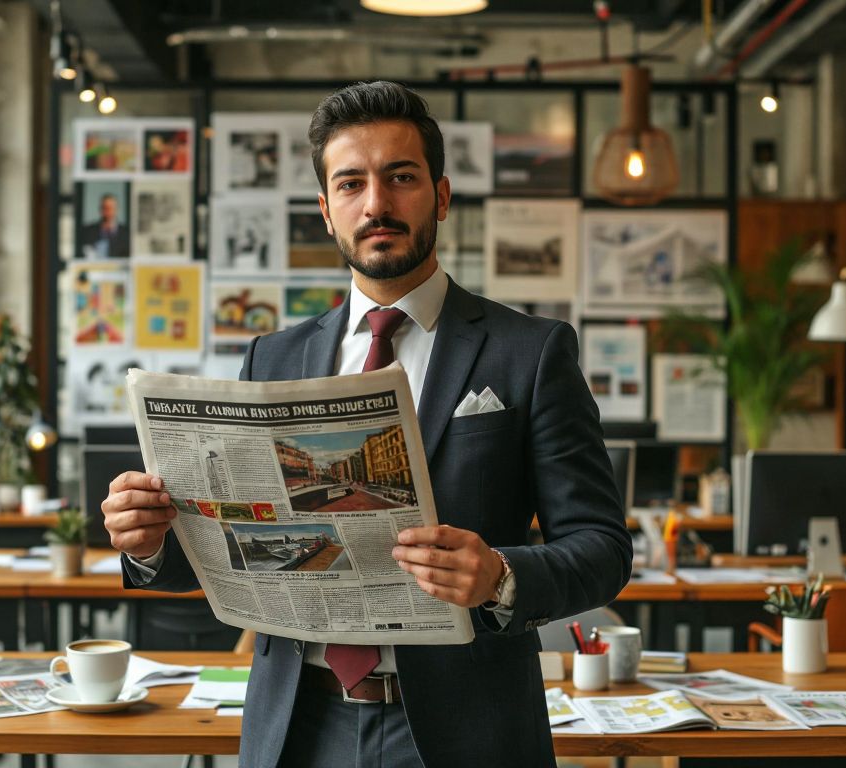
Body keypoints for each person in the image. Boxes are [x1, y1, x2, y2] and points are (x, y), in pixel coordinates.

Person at [102, 81, 632, 768]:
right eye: (351, 184)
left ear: (440, 196)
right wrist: (147, 542)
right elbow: (231, 554)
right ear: (326, 211)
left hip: (465, 730)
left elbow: (602, 546)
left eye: (400, 178)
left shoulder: (530, 352)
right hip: (299, 721)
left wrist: (501, 575)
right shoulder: (274, 356)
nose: (376, 203)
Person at [80, 192, 129, 258]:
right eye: (105, 208)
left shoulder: (127, 234)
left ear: (117, 209)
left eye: (111, 208)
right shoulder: (87, 232)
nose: (108, 211)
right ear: (100, 210)